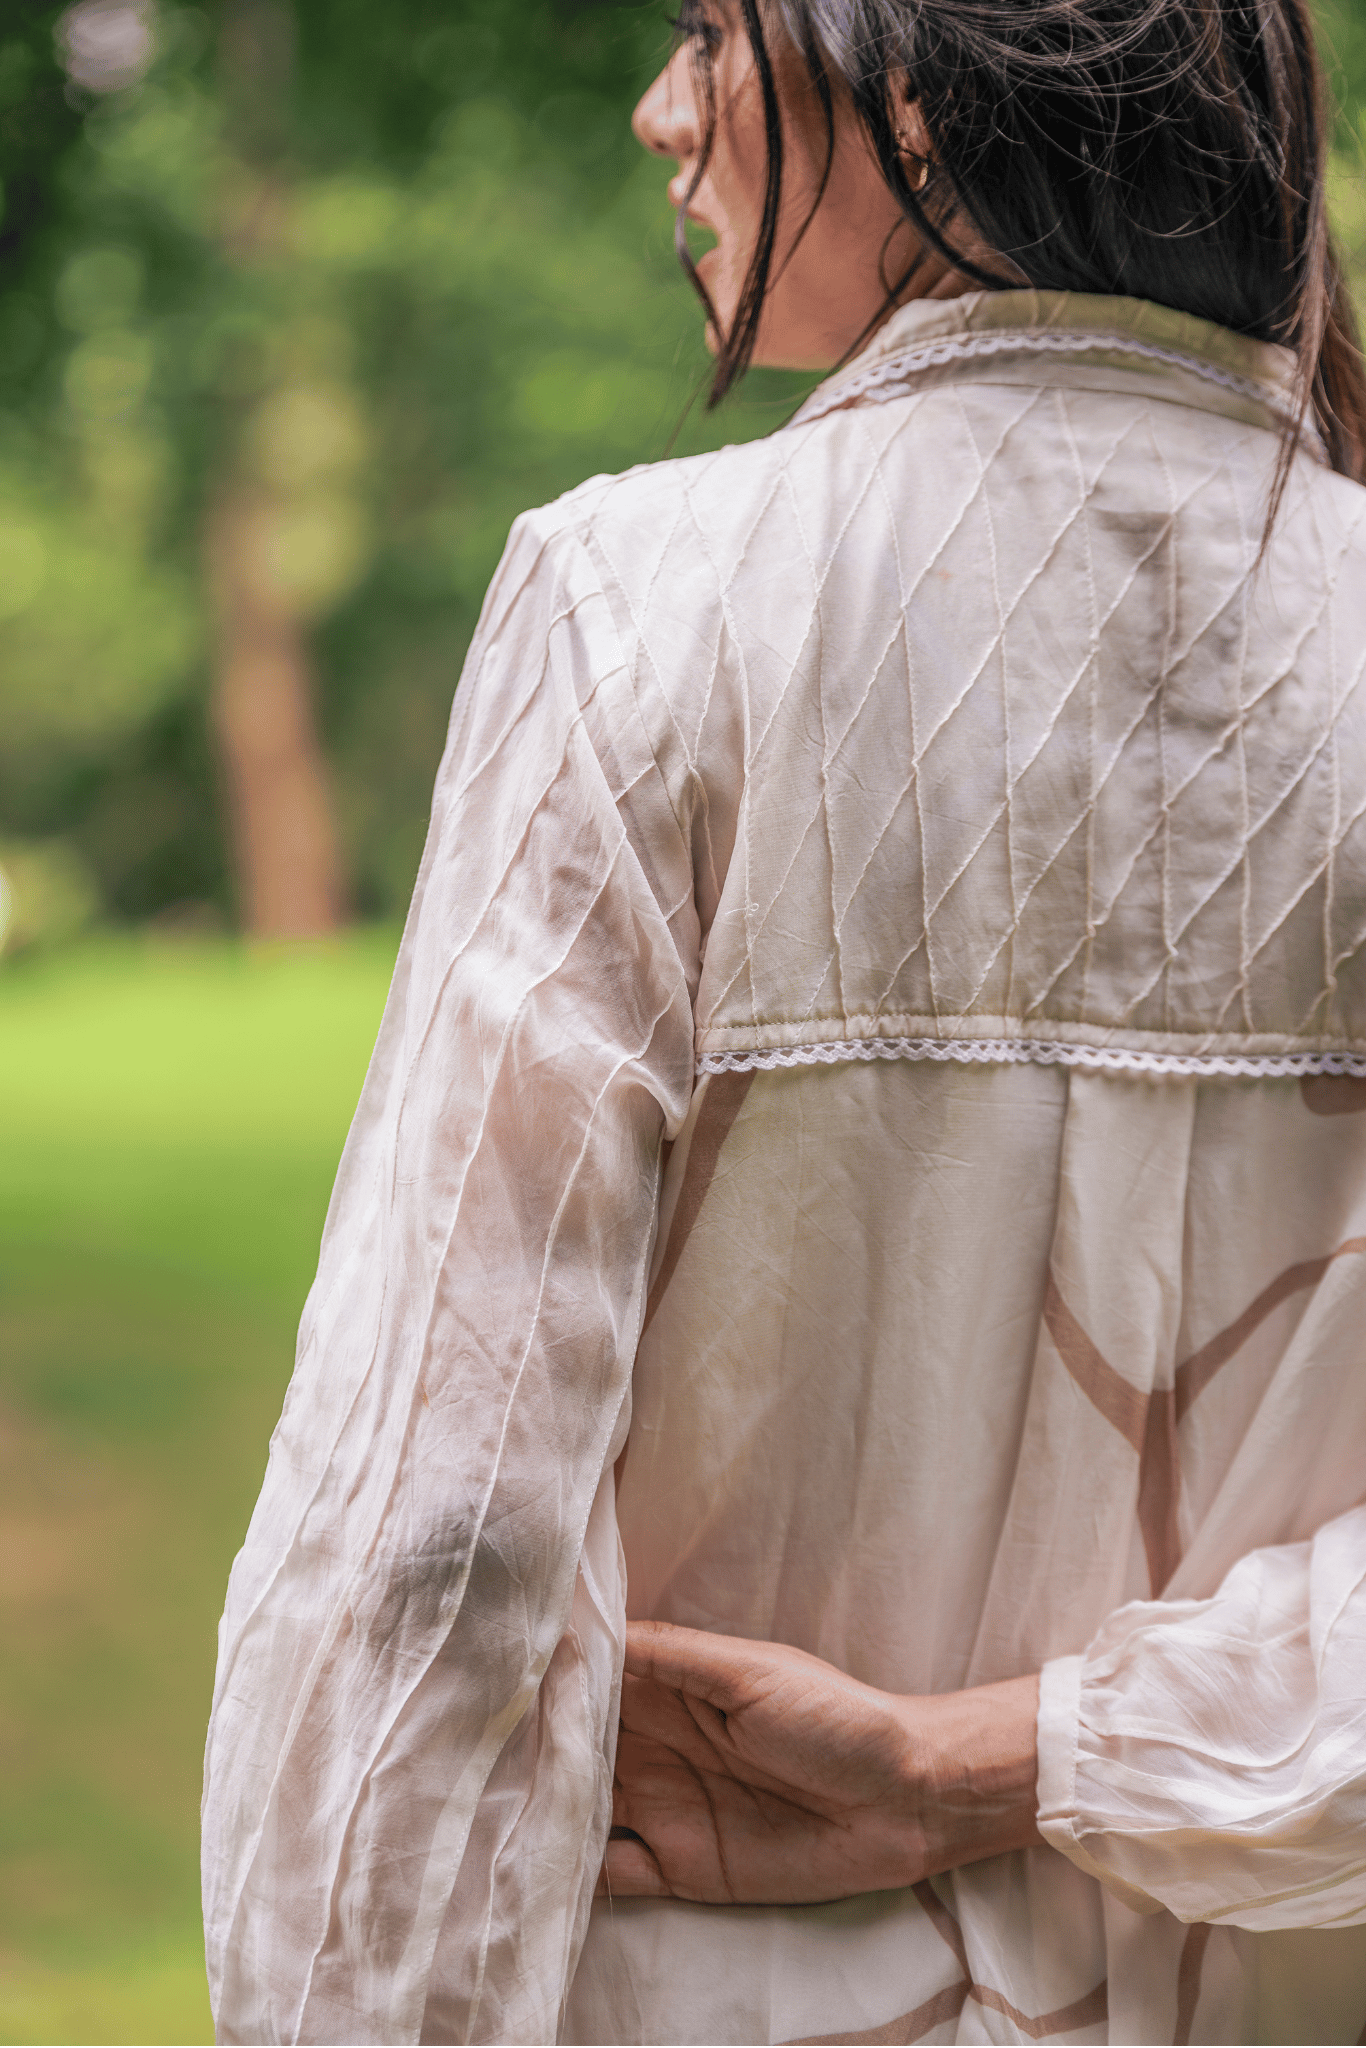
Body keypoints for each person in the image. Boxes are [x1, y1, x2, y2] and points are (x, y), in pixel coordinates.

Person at [201, 0, 1366, 2039]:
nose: (660, 110)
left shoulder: (641, 615)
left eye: (702, 29)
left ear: (915, 72)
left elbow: (439, 1546)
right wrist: (1022, 1753)